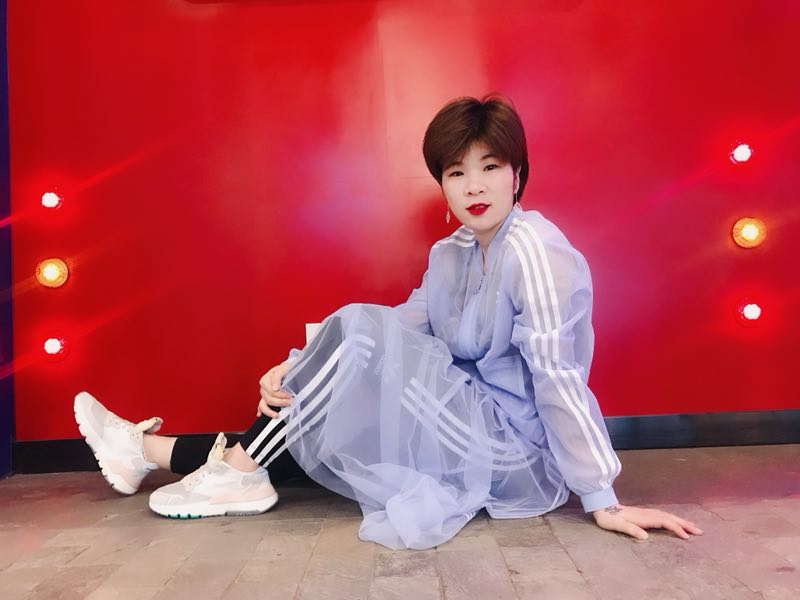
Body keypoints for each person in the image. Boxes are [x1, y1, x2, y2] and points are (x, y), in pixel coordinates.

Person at [74, 94, 703, 550]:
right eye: (456, 172)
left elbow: (558, 377)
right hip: (465, 421)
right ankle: (160, 454)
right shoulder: (452, 253)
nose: (474, 186)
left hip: (515, 450)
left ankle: (225, 470)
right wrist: (297, 365)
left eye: (490, 167)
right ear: (442, 185)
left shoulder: (535, 252)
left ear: (518, 175)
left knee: (355, 339)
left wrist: (600, 497)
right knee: (341, 392)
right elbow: (405, 325)